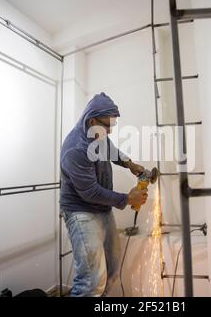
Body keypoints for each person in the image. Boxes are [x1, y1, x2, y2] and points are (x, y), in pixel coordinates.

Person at [60, 93, 148, 297]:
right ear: (92, 121)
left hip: (103, 210)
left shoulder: (98, 135)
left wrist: (129, 163)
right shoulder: (75, 149)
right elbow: (90, 192)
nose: (110, 130)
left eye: (113, 125)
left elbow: (110, 149)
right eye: (107, 125)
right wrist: (127, 199)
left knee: (111, 270)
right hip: (81, 213)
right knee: (91, 282)